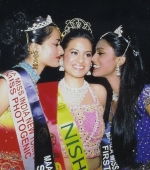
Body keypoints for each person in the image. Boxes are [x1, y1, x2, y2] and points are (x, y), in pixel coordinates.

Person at [38, 18, 107, 170]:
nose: (81, 60)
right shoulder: (44, 94)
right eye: (74, 52)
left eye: (87, 54)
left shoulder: (99, 92)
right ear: (62, 55)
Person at [0, 11, 63, 169]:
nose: (61, 51)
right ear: (35, 48)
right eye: (56, 44)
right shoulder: (9, 83)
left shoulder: (37, 86)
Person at [92, 25, 150, 170]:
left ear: (120, 60)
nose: (93, 58)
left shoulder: (145, 94)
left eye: (100, 53)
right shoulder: (109, 100)